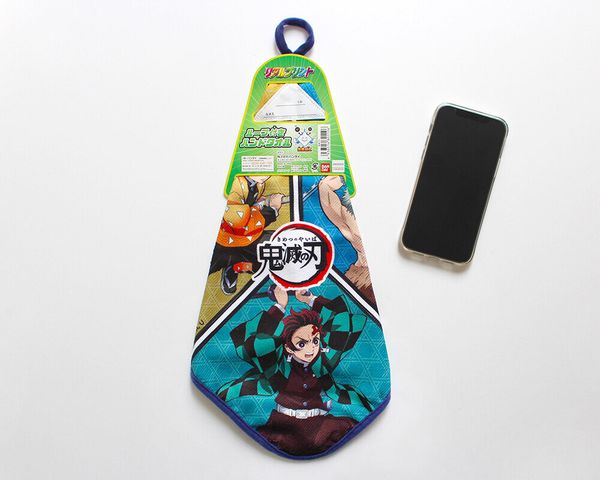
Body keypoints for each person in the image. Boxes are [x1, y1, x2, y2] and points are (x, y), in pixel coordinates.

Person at [217, 285, 372, 456]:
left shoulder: (323, 361)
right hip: (278, 427)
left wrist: (311, 300)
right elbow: (251, 343)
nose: (311, 349)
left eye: (315, 341)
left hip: (324, 425)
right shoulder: (278, 366)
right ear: (288, 347)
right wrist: (279, 307)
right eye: (301, 343)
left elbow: (344, 322)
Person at [210, 176, 284, 294]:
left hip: (245, 239)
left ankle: (236, 267)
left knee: (281, 249)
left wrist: (262, 203)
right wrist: (271, 209)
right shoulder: (236, 185)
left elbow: (251, 204)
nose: (266, 175)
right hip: (224, 240)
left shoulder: (258, 183)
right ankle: (230, 261)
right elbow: (238, 223)